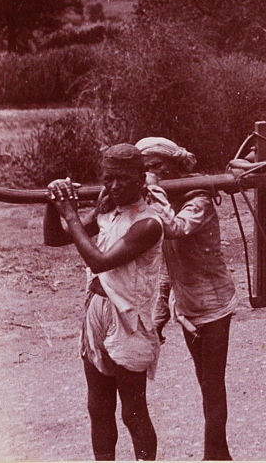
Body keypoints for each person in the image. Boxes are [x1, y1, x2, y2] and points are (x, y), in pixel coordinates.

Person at [46, 144, 165, 461]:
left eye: (122, 180)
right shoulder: (107, 212)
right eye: (108, 179)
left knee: (133, 411)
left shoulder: (149, 223)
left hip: (128, 320)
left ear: (141, 179)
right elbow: (56, 238)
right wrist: (53, 201)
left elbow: (99, 261)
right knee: (98, 408)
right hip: (96, 313)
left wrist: (70, 213)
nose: (113, 187)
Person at [136, 137, 237, 461]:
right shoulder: (167, 202)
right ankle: (218, 453)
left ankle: (216, 454)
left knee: (212, 384)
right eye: (145, 169)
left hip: (214, 305)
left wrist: (154, 194)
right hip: (188, 307)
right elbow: (168, 264)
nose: (150, 174)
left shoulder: (198, 200)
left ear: (174, 168)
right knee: (202, 381)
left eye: (156, 168)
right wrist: (160, 314)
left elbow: (177, 229)